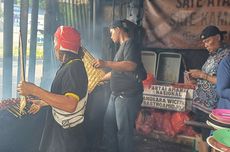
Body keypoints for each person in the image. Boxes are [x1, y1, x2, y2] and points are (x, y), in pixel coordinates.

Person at [17, 26, 88, 152]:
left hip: (66, 139)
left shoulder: (74, 69)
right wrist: (44, 102)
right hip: (61, 135)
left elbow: (70, 104)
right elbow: (63, 96)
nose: (54, 47)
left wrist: (34, 90)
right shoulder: (70, 65)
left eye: (56, 41)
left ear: (61, 47)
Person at [92, 19, 146, 152]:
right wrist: (98, 80)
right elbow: (117, 70)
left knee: (124, 132)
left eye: (111, 33)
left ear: (118, 29)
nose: (110, 36)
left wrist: (105, 63)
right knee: (109, 126)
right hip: (116, 95)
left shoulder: (130, 43)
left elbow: (130, 65)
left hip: (127, 97)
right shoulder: (121, 47)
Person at [188, 25, 230, 152]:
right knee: (202, 136)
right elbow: (209, 78)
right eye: (204, 42)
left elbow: (222, 83)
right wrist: (197, 79)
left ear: (218, 37)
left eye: (207, 41)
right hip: (202, 105)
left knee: (213, 141)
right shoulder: (212, 55)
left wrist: (202, 75)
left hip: (213, 108)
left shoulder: (226, 56)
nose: (205, 45)